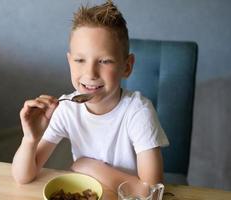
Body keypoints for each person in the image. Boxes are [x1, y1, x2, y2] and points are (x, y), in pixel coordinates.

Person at [12, 0, 169, 194]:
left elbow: (152, 193)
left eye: (104, 61)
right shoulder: (67, 109)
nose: (90, 72)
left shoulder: (138, 113)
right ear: (69, 61)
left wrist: (88, 166)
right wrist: (30, 139)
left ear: (127, 66)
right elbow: (23, 176)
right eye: (80, 60)